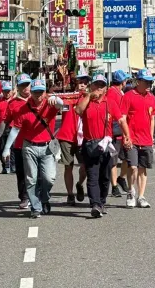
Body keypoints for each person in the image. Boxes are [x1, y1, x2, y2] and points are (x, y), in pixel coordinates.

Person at [2, 79, 64, 218]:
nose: (38, 95)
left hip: (47, 147)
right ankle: (35, 207)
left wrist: (56, 98)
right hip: (29, 147)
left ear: (45, 92)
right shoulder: (23, 108)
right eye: (36, 92)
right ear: (32, 93)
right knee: (31, 179)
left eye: (41, 92)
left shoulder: (50, 103)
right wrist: (6, 149)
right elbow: (15, 130)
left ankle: (44, 198)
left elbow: (61, 104)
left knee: (49, 178)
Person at [75, 74, 131, 218]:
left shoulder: (110, 102)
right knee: (92, 176)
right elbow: (78, 111)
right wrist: (88, 96)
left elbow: (121, 120)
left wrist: (127, 136)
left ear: (106, 88)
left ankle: (102, 202)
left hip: (106, 144)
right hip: (90, 144)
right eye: (96, 85)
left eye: (102, 85)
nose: (99, 88)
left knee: (105, 177)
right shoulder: (86, 101)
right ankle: (95, 204)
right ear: (91, 86)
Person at [0, 74, 32, 209]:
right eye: (22, 85)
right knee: (21, 173)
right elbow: (5, 121)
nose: (25, 87)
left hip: (36, 143)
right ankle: (24, 197)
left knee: (39, 173)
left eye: (27, 84)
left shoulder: (39, 99)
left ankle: (38, 195)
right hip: (19, 143)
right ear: (18, 87)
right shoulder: (13, 103)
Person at [121, 68, 155, 209]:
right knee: (133, 167)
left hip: (146, 139)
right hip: (132, 139)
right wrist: (126, 136)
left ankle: (141, 196)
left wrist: (151, 136)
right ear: (139, 81)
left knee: (143, 169)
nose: (149, 85)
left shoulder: (151, 98)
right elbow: (122, 118)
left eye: (150, 82)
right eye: (147, 82)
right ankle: (131, 192)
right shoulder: (129, 96)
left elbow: (152, 118)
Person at [56, 69, 90, 206]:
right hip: (66, 136)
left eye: (85, 81)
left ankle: (80, 184)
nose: (82, 84)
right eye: (79, 81)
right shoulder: (68, 96)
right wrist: (57, 102)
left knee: (85, 167)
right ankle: (70, 194)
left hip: (84, 137)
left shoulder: (90, 97)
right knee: (68, 167)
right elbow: (61, 108)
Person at [106, 70, 131, 197]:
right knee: (114, 160)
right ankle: (115, 186)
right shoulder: (111, 92)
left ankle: (121, 178)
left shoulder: (120, 92)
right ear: (122, 81)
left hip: (122, 129)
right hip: (115, 130)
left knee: (127, 158)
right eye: (125, 80)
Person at [0, 81, 14, 173]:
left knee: (13, 147)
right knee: (2, 147)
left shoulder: (15, 101)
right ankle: (5, 166)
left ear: (12, 91)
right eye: (5, 91)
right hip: (2, 128)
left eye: (8, 91)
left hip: (14, 127)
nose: (7, 93)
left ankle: (13, 165)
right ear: (2, 92)